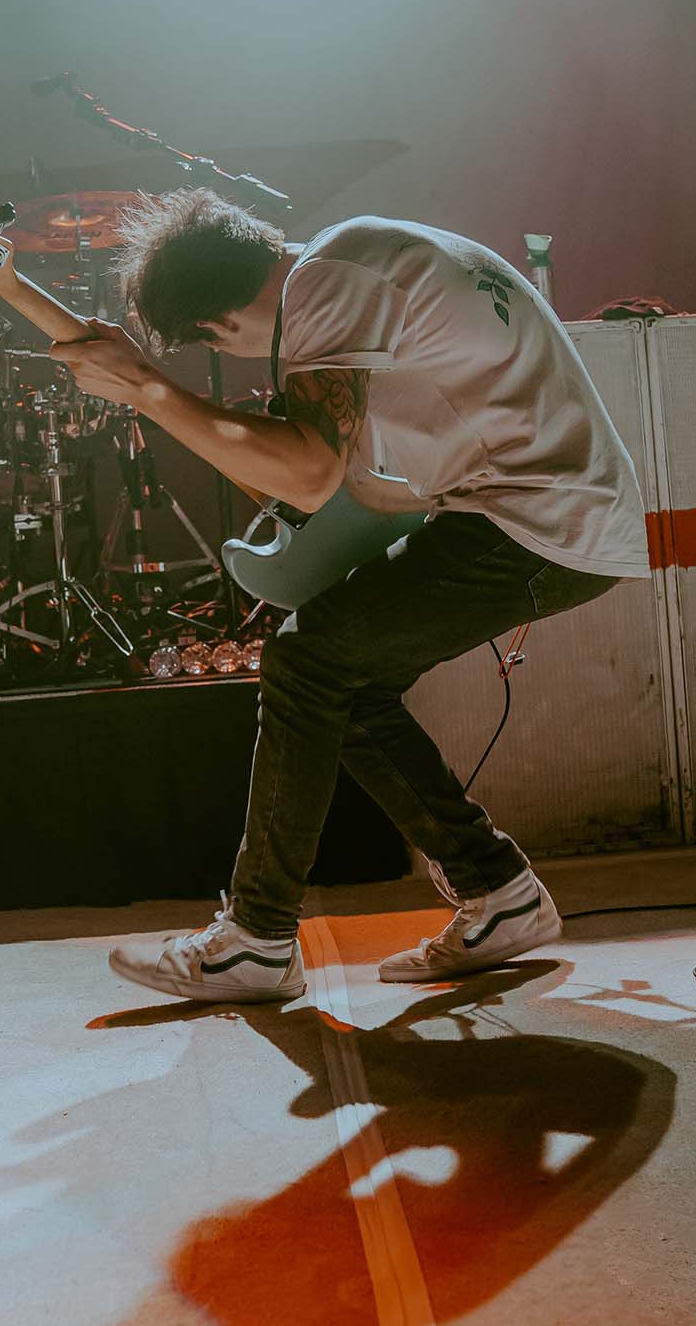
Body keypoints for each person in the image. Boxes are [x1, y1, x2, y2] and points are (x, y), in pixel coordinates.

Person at [50, 189, 650, 1003]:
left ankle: (257, 941)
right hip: (544, 513)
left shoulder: (326, 287)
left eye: (215, 345)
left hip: (539, 519)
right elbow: (348, 483)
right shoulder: (354, 257)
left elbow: (306, 475)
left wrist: (149, 391)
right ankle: (498, 892)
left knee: (304, 660)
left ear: (218, 325)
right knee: (345, 681)